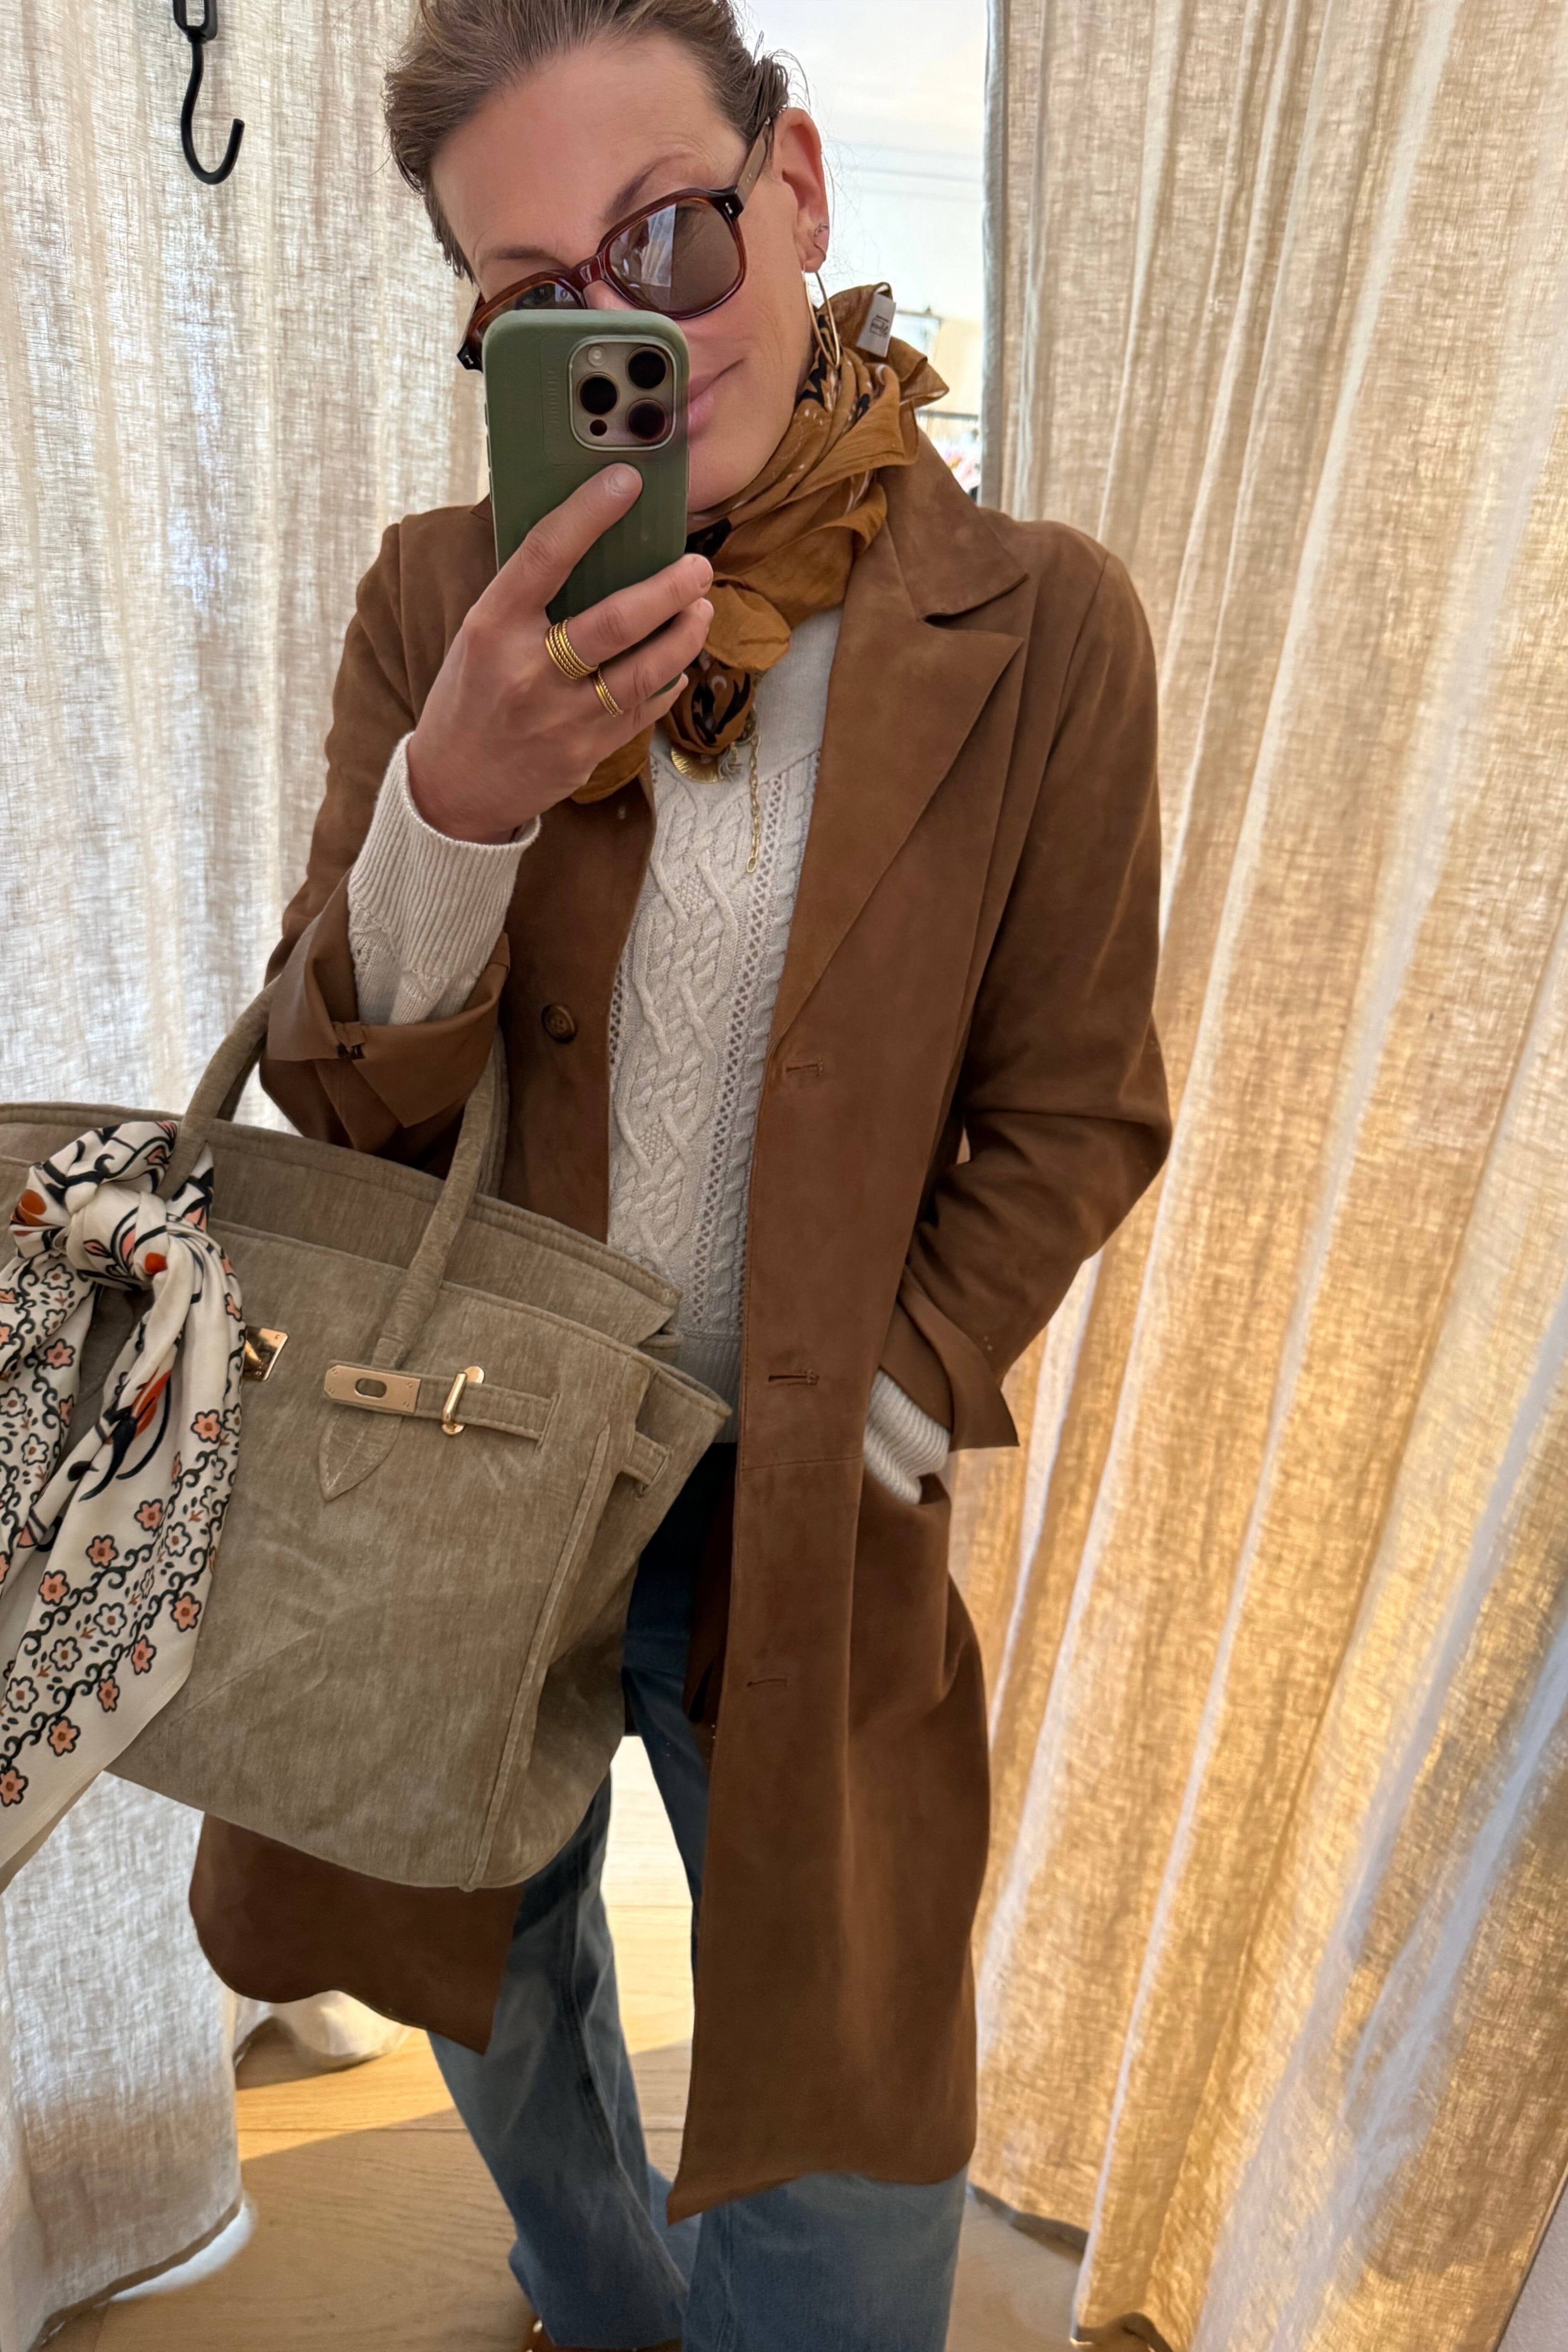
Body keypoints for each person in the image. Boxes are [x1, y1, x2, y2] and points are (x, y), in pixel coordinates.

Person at [249, 2, 1171, 2344]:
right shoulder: (438, 601)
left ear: (801, 187)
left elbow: (1076, 1102)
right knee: (487, 1977)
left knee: (845, 2111)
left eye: (671, 235)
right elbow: (338, 1101)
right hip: (461, 1469)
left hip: (798, 1498)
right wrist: (458, 798)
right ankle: (599, 2296)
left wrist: (891, 1401)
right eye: (539, 296)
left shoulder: (1040, 625)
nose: (633, 330)